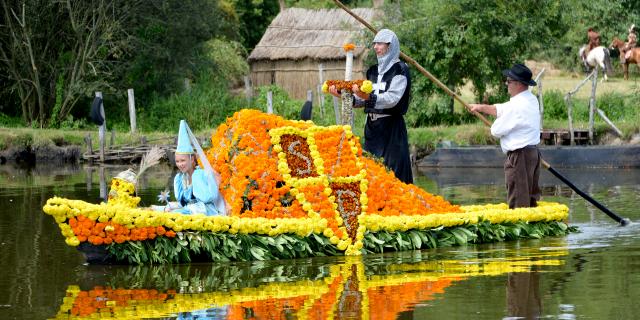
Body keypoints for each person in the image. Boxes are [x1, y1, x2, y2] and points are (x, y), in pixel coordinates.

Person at [328, 29, 413, 184]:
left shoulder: (400, 69)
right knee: (373, 171)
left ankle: (400, 205)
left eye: (380, 43)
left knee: (394, 173)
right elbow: (364, 101)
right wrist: (344, 96)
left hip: (391, 127)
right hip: (373, 128)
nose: (375, 47)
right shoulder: (372, 71)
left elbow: (392, 98)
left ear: (390, 46)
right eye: (375, 43)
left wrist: (368, 96)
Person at [469, 63, 541, 209]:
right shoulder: (531, 99)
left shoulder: (516, 106)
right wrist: (481, 107)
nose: (506, 84)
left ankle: (521, 228)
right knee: (531, 202)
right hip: (533, 155)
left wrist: (495, 123)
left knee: (518, 203)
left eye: (509, 81)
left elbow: (496, 130)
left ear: (519, 84)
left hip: (519, 158)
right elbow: (502, 109)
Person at [163, 120, 224, 215]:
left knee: (174, 214)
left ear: (192, 160)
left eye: (183, 160)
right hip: (189, 210)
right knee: (163, 210)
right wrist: (170, 206)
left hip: (204, 210)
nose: (180, 164)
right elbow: (183, 203)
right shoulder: (180, 178)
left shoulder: (199, 174)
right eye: (177, 161)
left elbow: (206, 199)